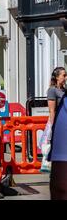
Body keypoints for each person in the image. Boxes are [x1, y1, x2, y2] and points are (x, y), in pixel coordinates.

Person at [47, 67, 67, 199]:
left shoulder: (64, 90)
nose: (65, 78)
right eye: (63, 75)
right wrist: (51, 128)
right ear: (57, 77)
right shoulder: (52, 90)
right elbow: (52, 111)